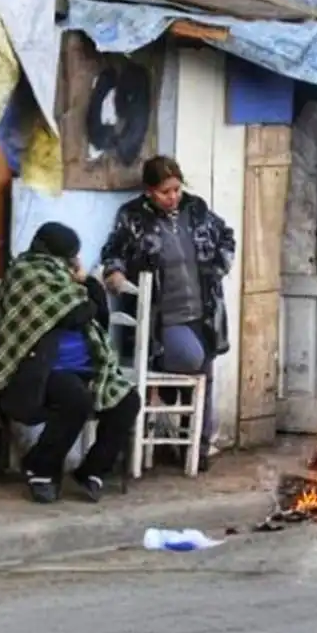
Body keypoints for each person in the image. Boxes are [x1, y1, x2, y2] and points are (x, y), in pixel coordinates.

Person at [100, 155, 235, 471]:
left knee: (206, 369)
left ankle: (195, 450)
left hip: (202, 310)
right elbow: (113, 252)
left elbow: (225, 236)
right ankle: (188, 441)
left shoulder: (196, 209)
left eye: (176, 189)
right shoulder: (133, 217)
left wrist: (218, 266)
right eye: (165, 192)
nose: (173, 197)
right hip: (163, 319)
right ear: (149, 191)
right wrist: (116, 275)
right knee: (194, 359)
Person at [0, 222, 142, 504]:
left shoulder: (66, 280)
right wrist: (86, 291)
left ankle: (92, 471)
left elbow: (99, 316)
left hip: (87, 366)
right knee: (76, 399)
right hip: (41, 369)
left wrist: (88, 283)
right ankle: (41, 468)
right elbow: (75, 314)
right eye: (70, 256)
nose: (73, 261)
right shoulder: (27, 272)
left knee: (128, 401)